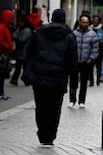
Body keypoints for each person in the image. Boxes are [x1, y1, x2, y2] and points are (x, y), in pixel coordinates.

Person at [24, 9, 78, 147]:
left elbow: (29, 54)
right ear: (64, 19)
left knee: (41, 107)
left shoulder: (39, 33)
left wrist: (29, 73)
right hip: (59, 79)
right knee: (54, 108)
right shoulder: (70, 36)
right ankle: (50, 136)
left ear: (52, 18)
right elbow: (73, 61)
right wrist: (73, 82)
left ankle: (42, 134)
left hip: (40, 77)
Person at [69, 14, 99, 108]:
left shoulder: (93, 34)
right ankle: (72, 100)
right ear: (80, 22)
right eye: (83, 22)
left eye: (86, 22)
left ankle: (82, 101)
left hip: (86, 62)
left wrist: (91, 58)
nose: (85, 24)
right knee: (73, 81)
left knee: (84, 82)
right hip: (75, 61)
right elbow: (70, 48)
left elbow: (95, 48)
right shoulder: (74, 34)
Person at [10, 12, 33, 86]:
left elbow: (22, 39)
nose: (20, 23)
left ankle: (23, 79)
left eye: (21, 22)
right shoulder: (21, 29)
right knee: (19, 67)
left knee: (23, 67)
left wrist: (16, 37)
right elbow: (15, 35)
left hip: (24, 52)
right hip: (20, 51)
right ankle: (16, 79)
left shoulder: (27, 30)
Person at [0, 9, 15, 100]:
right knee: (1, 75)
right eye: (10, 18)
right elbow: (0, 41)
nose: (12, 20)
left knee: (2, 75)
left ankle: (1, 93)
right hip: (2, 55)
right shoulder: (2, 28)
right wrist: (9, 47)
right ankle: (1, 93)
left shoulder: (5, 27)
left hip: (4, 54)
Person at [91, 15, 103, 85]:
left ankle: (98, 81)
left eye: (97, 19)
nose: (95, 21)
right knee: (90, 66)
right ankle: (91, 81)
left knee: (99, 66)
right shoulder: (90, 28)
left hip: (100, 50)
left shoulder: (102, 28)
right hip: (90, 50)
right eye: (94, 19)